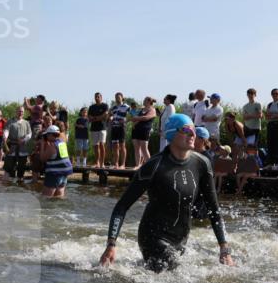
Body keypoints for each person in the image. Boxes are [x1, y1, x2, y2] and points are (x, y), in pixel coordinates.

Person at [99, 114, 233, 272]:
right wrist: (111, 244)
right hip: (153, 237)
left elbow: (214, 209)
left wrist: (224, 249)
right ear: (171, 133)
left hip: (181, 239)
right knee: (176, 281)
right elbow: (121, 207)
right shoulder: (154, 166)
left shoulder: (202, 164)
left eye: (193, 130)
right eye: (186, 130)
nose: (192, 134)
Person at [39, 124, 73, 198]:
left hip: (54, 174)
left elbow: (42, 158)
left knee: (45, 198)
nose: (46, 137)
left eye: (47, 135)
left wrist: (42, 145)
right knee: (58, 198)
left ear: (51, 135)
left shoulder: (52, 146)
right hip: (64, 174)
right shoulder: (62, 143)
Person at [3, 106, 32, 181]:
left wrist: (23, 140)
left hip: (23, 148)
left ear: (23, 112)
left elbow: (29, 134)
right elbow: (6, 130)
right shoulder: (10, 121)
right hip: (12, 147)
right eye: (19, 111)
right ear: (16, 112)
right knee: (9, 168)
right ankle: (9, 186)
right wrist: (5, 136)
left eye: (22, 111)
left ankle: (19, 184)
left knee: (21, 169)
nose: (20, 113)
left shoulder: (26, 123)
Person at [129, 96, 156, 168]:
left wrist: (136, 118)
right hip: (136, 130)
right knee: (136, 148)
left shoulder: (152, 110)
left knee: (144, 148)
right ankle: (138, 165)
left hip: (145, 130)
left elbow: (146, 118)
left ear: (148, 101)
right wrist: (134, 123)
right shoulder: (141, 109)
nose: (143, 101)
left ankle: (149, 166)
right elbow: (137, 119)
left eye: (144, 100)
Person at [264, 88, 278, 165]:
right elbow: (266, 116)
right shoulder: (269, 104)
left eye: (276, 93)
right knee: (271, 143)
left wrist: (272, 115)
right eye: (273, 94)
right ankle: (271, 162)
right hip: (271, 125)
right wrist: (275, 115)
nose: (275, 95)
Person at [108, 92, 130, 169]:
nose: (117, 98)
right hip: (114, 127)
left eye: (118, 97)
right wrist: (110, 118)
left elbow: (132, 116)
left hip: (121, 127)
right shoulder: (113, 107)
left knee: (122, 145)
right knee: (115, 146)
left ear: (122, 97)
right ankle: (116, 164)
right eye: (116, 97)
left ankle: (123, 164)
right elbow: (110, 115)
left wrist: (125, 120)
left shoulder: (126, 106)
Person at [87, 92, 108, 168]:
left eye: (98, 97)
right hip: (94, 128)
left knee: (102, 145)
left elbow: (105, 115)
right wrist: (98, 118)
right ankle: (97, 163)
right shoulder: (91, 107)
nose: (97, 98)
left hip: (102, 128)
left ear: (101, 97)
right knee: (96, 146)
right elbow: (89, 117)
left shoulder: (105, 105)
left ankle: (102, 163)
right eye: (95, 97)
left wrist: (95, 118)